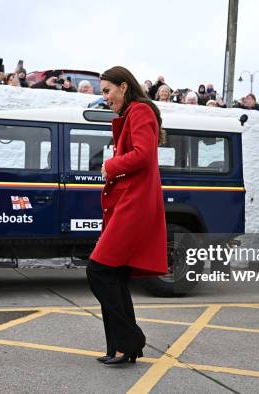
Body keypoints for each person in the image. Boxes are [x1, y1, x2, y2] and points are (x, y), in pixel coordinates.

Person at [87, 66, 167, 366]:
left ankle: (130, 339)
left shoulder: (140, 111)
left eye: (107, 90)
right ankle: (121, 349)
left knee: (98, 271)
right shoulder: (130, 114)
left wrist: (111, 165)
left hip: (134, 204)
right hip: (126, 203)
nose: (104, 97)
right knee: (115, 276)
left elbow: (144, 154)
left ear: (123, 86)